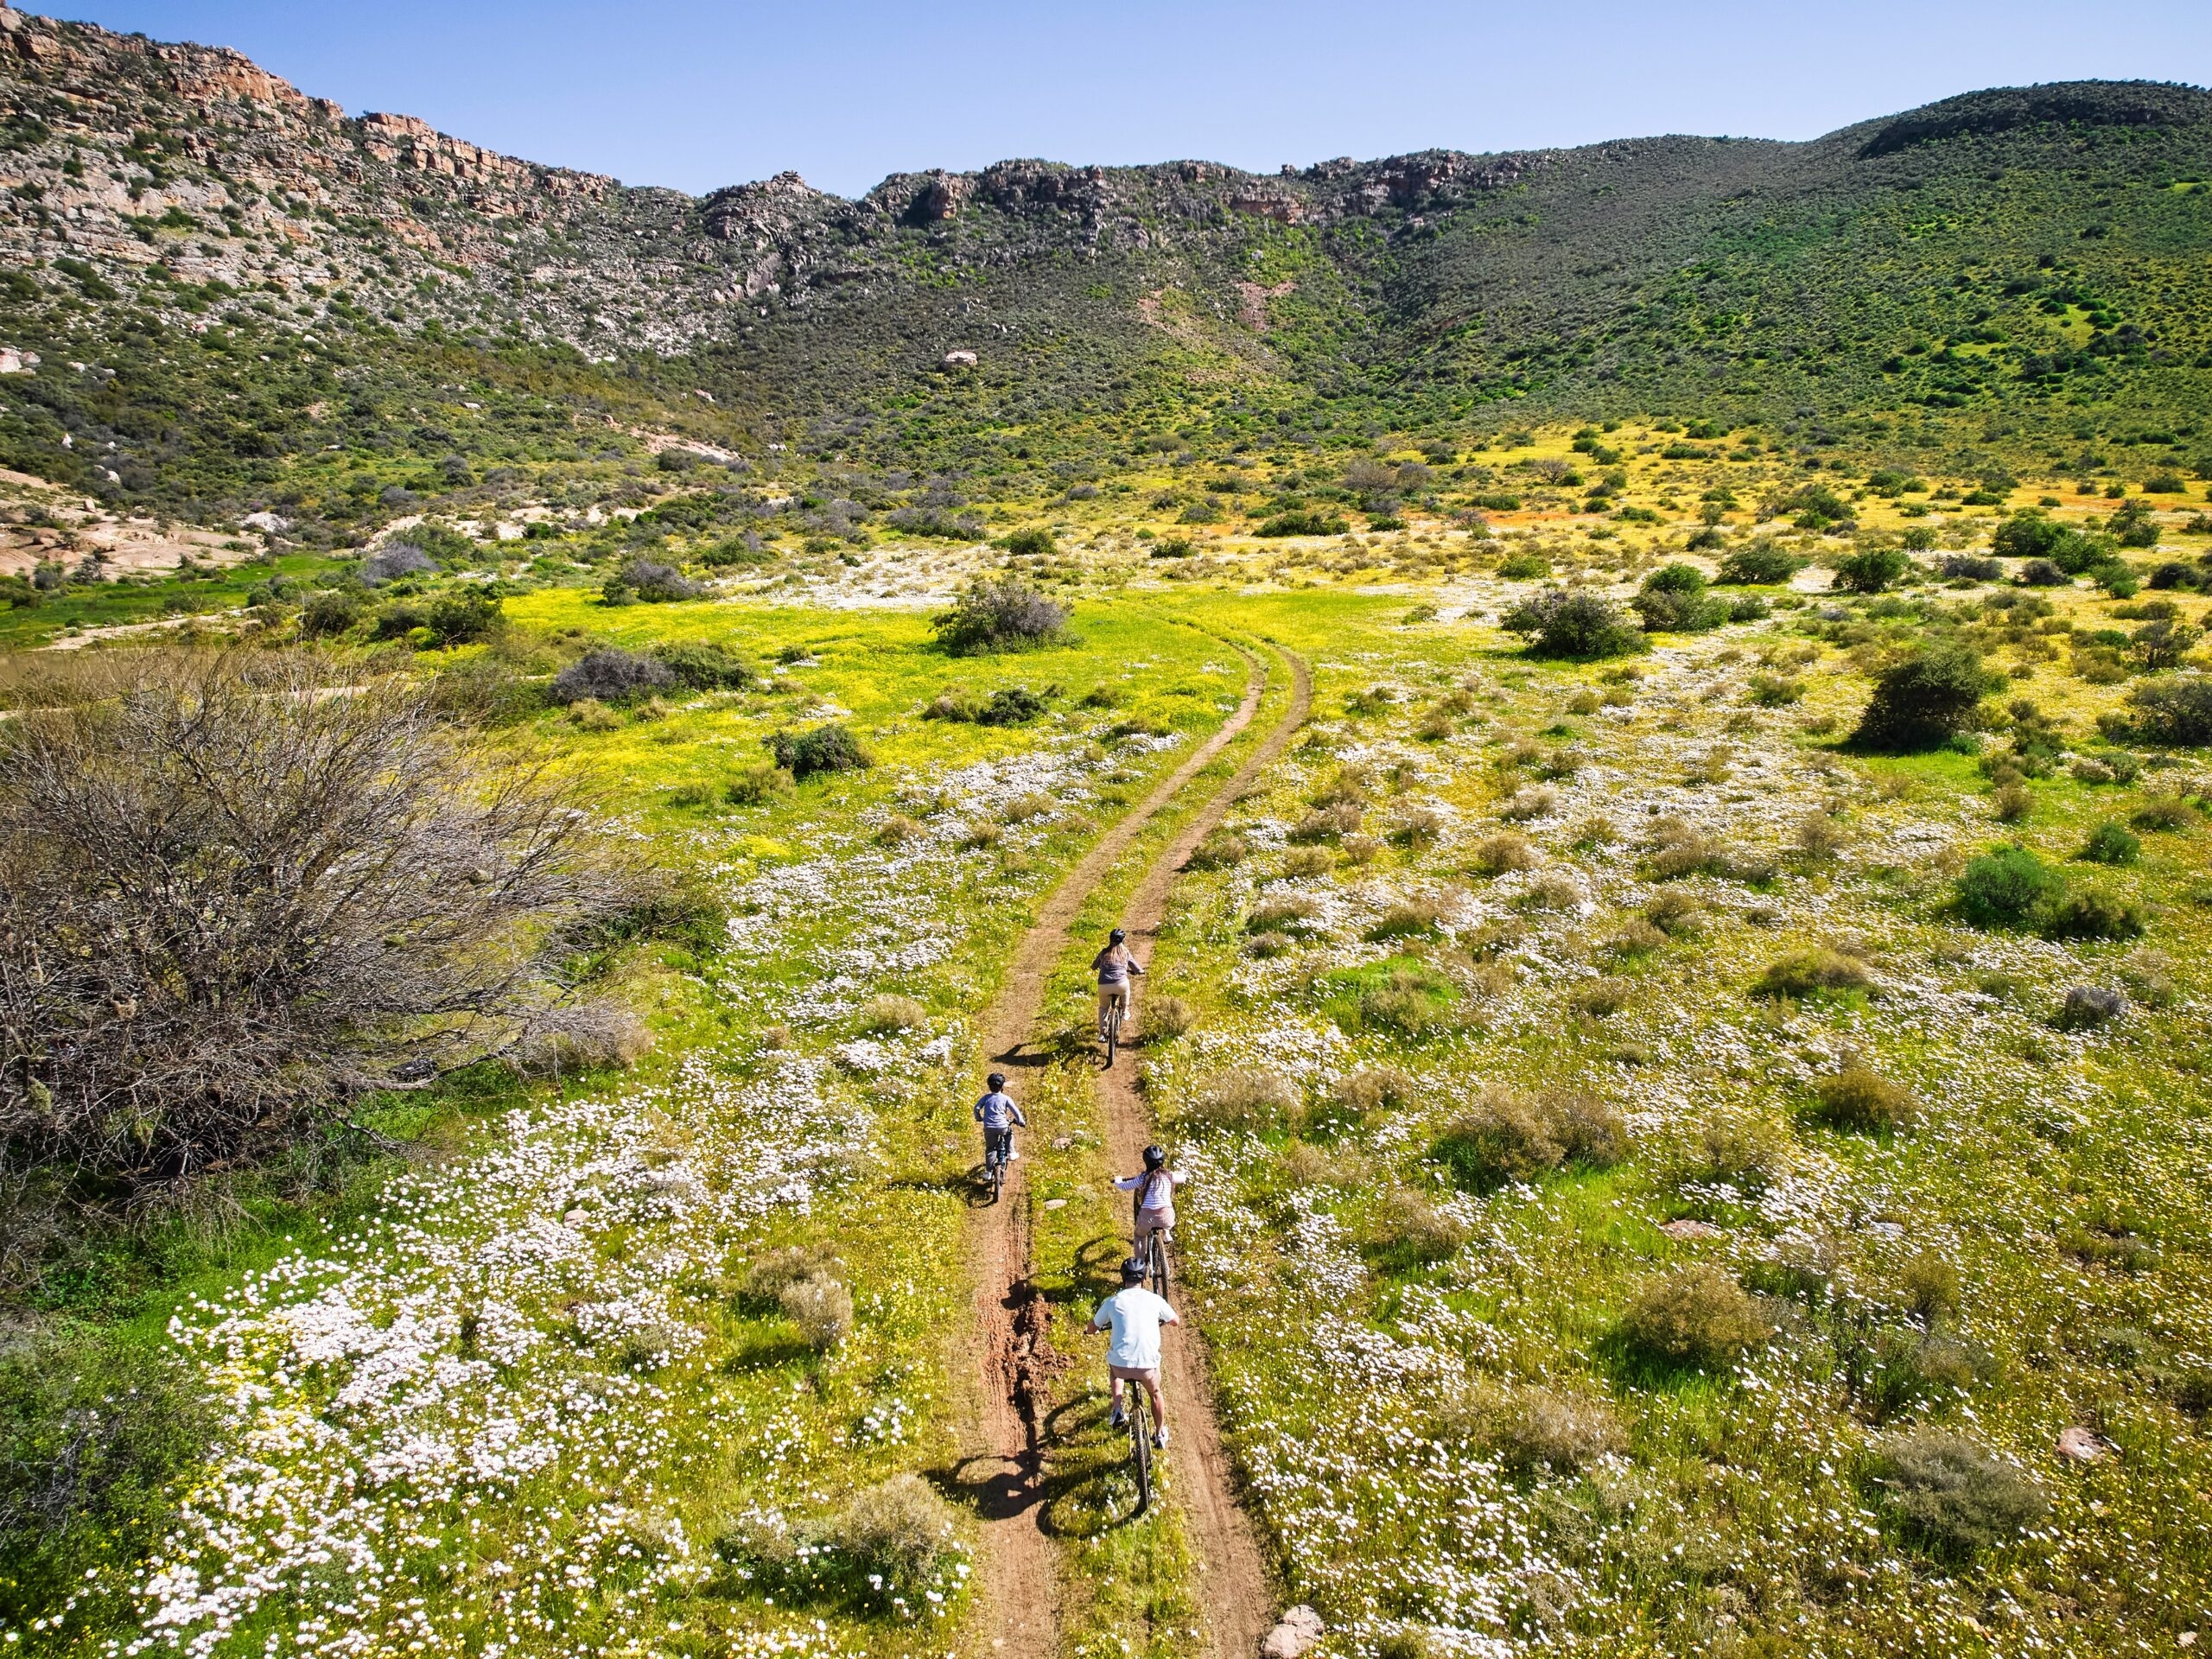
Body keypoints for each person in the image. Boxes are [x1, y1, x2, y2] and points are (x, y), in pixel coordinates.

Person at [1090, 1256, 1177, 1447]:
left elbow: (1092, 1327)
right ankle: (1160, 1433)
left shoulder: (1112, 1301)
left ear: (1123, 1279)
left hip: (1121, 1366)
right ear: (1144, 1279)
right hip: (1148, 1367)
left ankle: (1117, 1408)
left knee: (1114, 1371)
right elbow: (1175, 1320)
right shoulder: (1155, 1299)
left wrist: (1094, 1329)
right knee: (1155, 1392)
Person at [1115, 1144, 1183, 1247]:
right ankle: (1167, 1232)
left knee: (1139, 1236)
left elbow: (1125, 1186)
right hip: (1166, 1218)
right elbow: (1183, 1179)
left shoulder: (1143, 1178)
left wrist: (1118, 1181)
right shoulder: (1169, 1175)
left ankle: (1140, 1260)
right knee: (1167, 1209)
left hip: (1147, 1217)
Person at [1091, 926, 1144, 1042]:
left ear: (1110, 939)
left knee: (1104, 1008)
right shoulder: (1125, 952)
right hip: (1120, 984)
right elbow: (1135, 967)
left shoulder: (1104, 952)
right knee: (1126, 988)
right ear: (1123, 940)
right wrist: (1140, 971)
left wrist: (1096, 966)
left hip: (1104, 985)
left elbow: (1094, 966)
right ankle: (1125, 1010)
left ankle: (1102, 1034)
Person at [974, 1071, 1026, 1168]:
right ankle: (1011, 1152)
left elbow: (976, 1108)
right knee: (1009, 1133)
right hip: (1002, 1126)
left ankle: (988, 1172)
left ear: (989, 1086)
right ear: (1002, 1086)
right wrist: (1021, 1122)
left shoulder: (986, 1098)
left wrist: (979, 1118)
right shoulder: (1006, 1098)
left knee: (990, 1149)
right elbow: (1015, 1111)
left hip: (988, 1127)